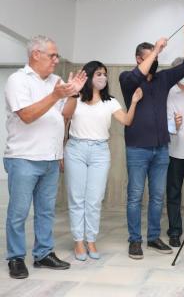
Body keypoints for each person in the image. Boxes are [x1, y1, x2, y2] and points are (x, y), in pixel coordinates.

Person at [4, 35, 86, 279]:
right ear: (35, 55)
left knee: (46, 211)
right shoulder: (17, 80)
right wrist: (55, 95)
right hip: (23, 158)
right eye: (52, 55)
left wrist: (73, 94)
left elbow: (66, 115)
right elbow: (27, 115)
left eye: (56, 55)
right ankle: (16, 258)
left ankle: (43, 254)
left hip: (51, 158)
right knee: (19, 212)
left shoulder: (56, 81)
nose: (56, 60)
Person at [119, 20, 184, 259]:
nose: (155, 59)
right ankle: (135, 240)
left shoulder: (163, 79)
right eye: (149, 56)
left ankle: (153, 237)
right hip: (137, 149)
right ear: (138, 59)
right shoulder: (128, 79)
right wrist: (156, 49)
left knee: (158, 197)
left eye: (155, 55)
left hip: (161, 149)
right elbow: (138, 73)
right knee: (134, 196)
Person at [62, 61, 143, 261]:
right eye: (98, 73)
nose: (103, 77)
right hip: (76, 149)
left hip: (100, 151)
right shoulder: (76, 98)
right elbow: (65, 117)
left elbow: (126, 121)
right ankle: (78, 241)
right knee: (77, 198)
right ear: (89, 76)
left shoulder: (111, 101)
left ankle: (91, 240)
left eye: (105, 74)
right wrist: (60, 152)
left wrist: (133, 102)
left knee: (95, 199)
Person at [166, 57, 184, 247]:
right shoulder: (169, 94)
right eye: (182, 71)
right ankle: (175, 231)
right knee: (174, 193)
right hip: (175, 151)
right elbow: (165, 123)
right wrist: (174, 125)